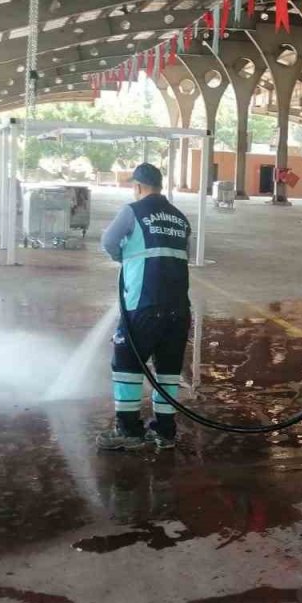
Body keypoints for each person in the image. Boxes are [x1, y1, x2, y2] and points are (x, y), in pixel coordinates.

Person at [97, 163, 192, 452]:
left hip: (144, 305)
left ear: (137, 186)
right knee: (167, 370)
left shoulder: (133, 211)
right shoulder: (179, 218)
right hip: (179, 309)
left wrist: (124, 256)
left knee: (126, 362)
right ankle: (165, 431)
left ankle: (128, 430)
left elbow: (109, 242)